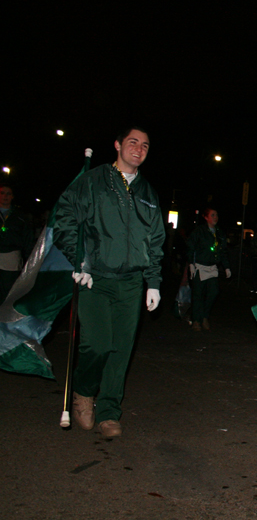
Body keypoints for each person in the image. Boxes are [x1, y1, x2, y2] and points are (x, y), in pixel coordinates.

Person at [53, 127, 164, 438]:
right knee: (98, 345)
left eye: (145, 145)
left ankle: (109, 411)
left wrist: (153, 281)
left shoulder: (148, 192)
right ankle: (84, 392)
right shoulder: (93, 181)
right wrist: (80, 259)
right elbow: (64, 219)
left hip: (131, 283)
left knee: (121, 350)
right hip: (96, 278)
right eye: (133, 142)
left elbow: (155, 240)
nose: (139, 149)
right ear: (117, 145)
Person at [186, 208, 231, 331]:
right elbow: (190, 246)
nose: (215, 217)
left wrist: (226, 267)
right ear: (206, 217)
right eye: (212, 215)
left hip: (212, 267)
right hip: (200, 266)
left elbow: (223, 251)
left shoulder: (219, 232)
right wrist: (191, 263)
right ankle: (196, 320)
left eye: (216, 215)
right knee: (198, 295)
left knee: (213, 292)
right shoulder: (199, 231)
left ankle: (204, 316)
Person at [0, 183, 34, 302]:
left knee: (8, 291)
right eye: (2, 193)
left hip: (11, 258)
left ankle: (5, 317)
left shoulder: (20, 217)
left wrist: (29, 261)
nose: (5, 196)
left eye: (8, 194)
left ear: (12, 197)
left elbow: (28, 239)